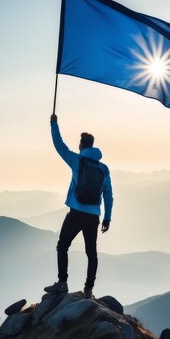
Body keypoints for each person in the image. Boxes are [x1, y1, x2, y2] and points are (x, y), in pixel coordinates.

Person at [44, 114, 113, 299]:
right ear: (93, 145)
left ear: (81, 145)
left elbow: (59, 145)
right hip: (94, 217)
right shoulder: (103, 168)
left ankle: (62, 282)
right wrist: (107, 218)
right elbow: (108, 194)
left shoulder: (76, 161)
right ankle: (89, 290)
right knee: (91, 252)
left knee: (62, 246)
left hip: (76, 213)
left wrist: (53, 123)